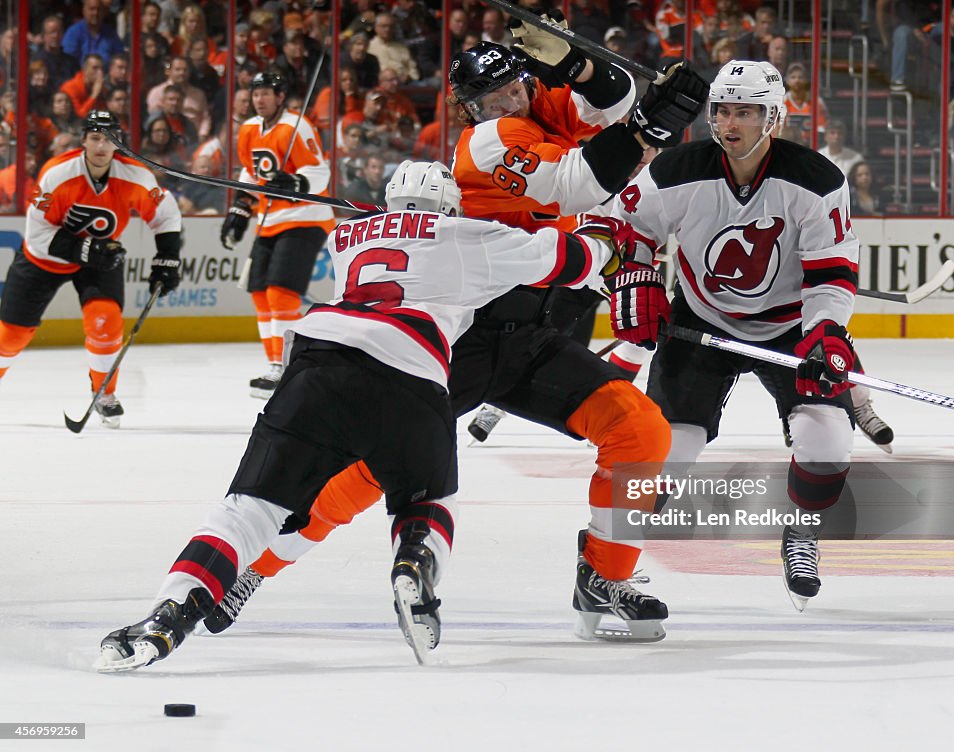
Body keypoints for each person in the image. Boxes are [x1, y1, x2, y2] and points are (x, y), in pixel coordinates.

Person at [204, 35, 708, 643]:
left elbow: (615, 99)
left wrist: (577, 65)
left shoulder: (541, 104)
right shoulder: (487, 141)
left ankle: (604, 576)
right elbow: (578, 184)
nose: (507, 100)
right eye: (490, 96)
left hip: (533, 337)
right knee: (366, 471)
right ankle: (252, 569)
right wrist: (649, 129)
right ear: (469, 107)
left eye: (515, 85)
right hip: (458, 338)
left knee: (640, 429)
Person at [95, 160, 638, 670]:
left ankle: (166, 617)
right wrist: (605, 237)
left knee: (246, 512)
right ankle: (413, 562)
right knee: (426, 500)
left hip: (314, 364)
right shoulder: (471, 236)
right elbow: (574, 260)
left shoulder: (348, 236)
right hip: (409, 372)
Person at [607, 60, 859, 611]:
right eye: (721, 110)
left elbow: (832, 271)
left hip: (792, 328)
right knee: (667, 452)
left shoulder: (816, 181)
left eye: (744, 111)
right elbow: (630, 232)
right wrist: (639, 276)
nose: (728, 122)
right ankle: (609, 563)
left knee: (828, 441)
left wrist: (825, 334)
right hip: (699, 321)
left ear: (772, 117)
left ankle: (801, 531)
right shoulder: (676, 170)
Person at [0, 111, 181, 425]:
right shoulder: (57, 173)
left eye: (109, 139)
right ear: (83, 140)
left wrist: (167, 257)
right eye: (95, 137)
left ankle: (104, 393)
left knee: (105, 319)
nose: (101, 145)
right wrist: (85, 248)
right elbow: (38, 235)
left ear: (118, 144)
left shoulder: (135, 176)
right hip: (44, 259)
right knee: (10, 336)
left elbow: (165, 214)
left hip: (100, 259)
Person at [219, 71, 334, 399]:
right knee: (259, 291)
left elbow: (318, 170)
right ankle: (274, 364)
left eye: (267, 93)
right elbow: (249, 174)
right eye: (256, 93)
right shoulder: (248, 129)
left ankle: (285, 366)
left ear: (280, 96)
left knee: (280, 291)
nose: (260, 99)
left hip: (304, 218)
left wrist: (296, 183)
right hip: (268, 220)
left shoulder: (297, 126)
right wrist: (241, 208)